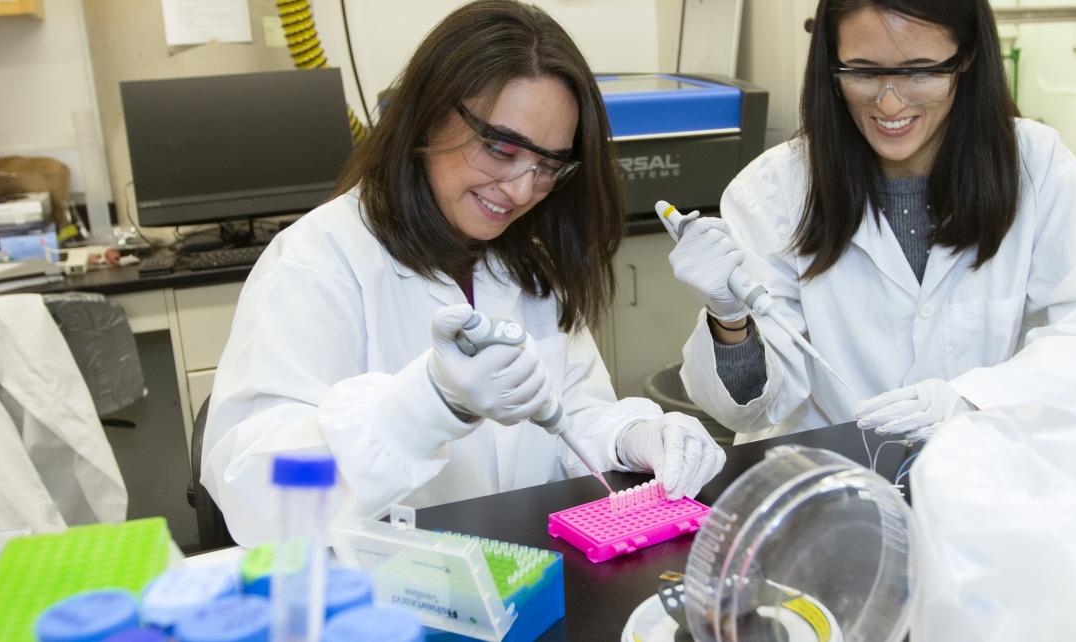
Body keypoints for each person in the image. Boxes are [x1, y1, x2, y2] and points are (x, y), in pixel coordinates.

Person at [201, 0, 725, 546]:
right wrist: (424, 407)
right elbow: (258, 490)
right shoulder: (320, 262)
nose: (522, 191)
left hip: (516, 577)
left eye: (548, 166)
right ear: (428, 116)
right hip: (380, 600)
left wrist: (633, 435)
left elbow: (568, 413)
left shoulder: (523, 260)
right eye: (500, 148)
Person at [673, 0, 1076, 444]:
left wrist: (973, 400)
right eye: (862, 72)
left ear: (965, 58)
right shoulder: (773, 190)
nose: (888, 103)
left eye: (920, 72)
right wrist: (730, 322)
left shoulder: (1034, 165)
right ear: (831, 65)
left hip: (977, 473)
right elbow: (754, 410)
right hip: (826, 486)